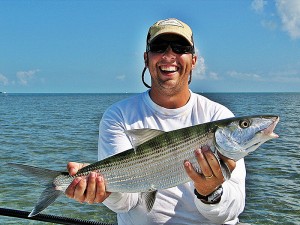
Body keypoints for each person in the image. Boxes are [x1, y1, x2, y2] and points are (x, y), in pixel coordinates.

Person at [66, 18, 246, 225]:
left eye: (180, 48)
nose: (169, 56)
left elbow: (232, 209)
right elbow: (127, 202)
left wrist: (211, 193)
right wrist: (105, 190)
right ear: (146, 58)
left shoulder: (220, 117)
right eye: (159, 47)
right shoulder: (118, 116)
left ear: (194, 60)